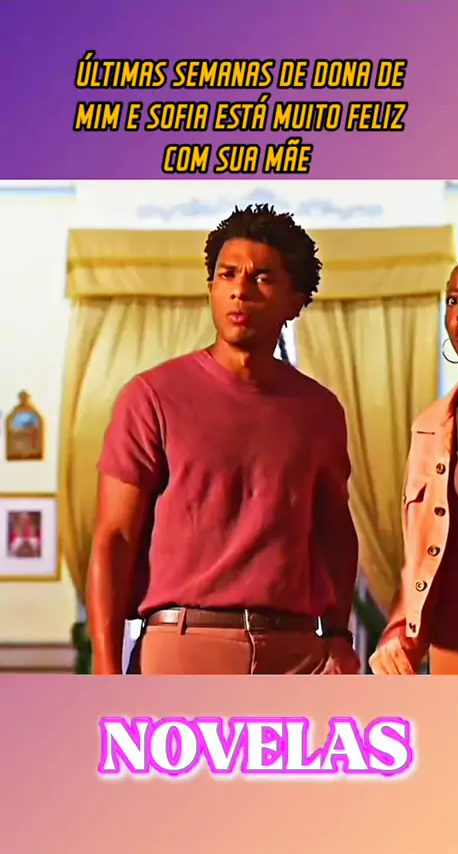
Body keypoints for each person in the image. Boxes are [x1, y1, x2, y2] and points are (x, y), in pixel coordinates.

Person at [87, 204, 360, 676]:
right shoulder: (152, 397)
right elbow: (115, 538)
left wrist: (337, 636)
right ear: (212, 287)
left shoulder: (320, 410)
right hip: (182, 645)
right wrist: (106, 673)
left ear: (295, 302)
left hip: (296, 653)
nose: (240, 289)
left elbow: (335, 531)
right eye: (227, 274)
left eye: (262, 278)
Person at [370, 252, 458, 675]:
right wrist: (400, 631)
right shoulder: (430, 427)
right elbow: (423, 554)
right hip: (455, 644)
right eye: (454, 300)